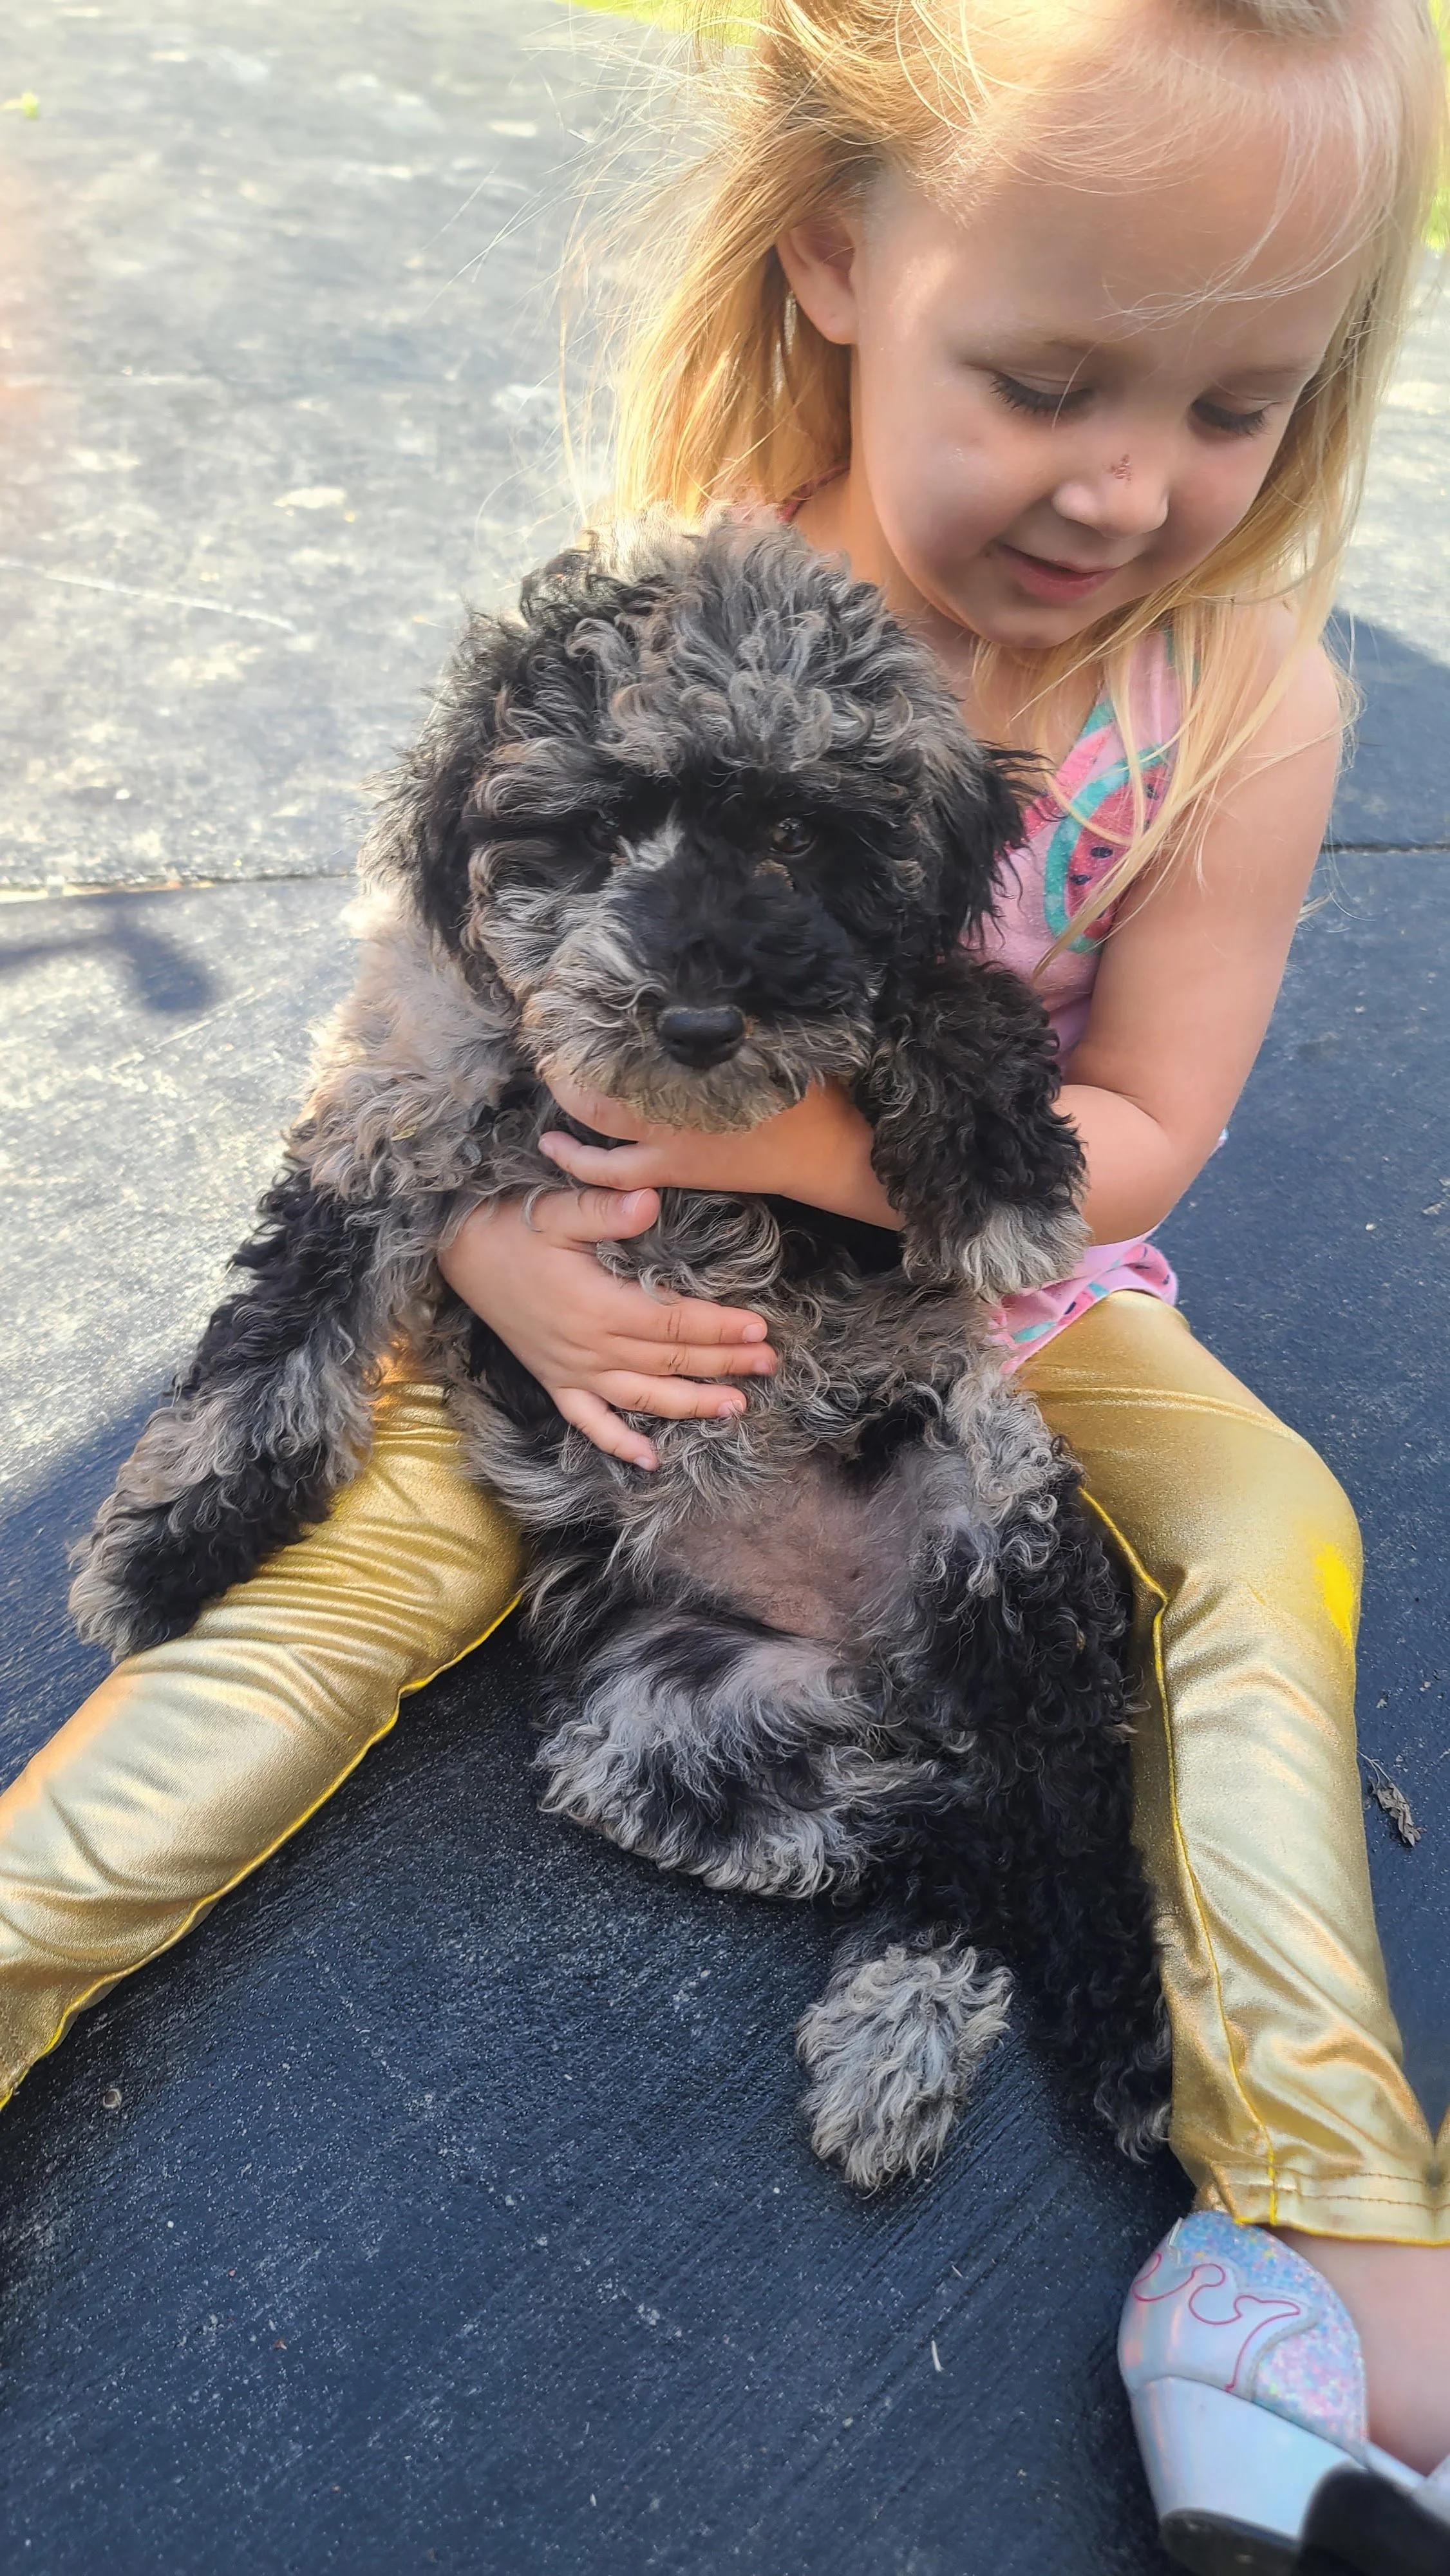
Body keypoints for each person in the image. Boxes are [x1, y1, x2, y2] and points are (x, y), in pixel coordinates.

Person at [1, 0, 1445, 2555]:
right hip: (594, 1283)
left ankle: (1322, 2237)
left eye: (1231, 406)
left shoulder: (1239, 690)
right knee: (337, 1591)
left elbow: (1138, 1134)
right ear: (833, 258)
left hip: (999, 1301)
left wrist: (804, 1135)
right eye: (1043, 377)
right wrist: (502, 1264)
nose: (1126, 483)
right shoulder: (676, 615)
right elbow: (400, 1024)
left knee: (1267, 1533)